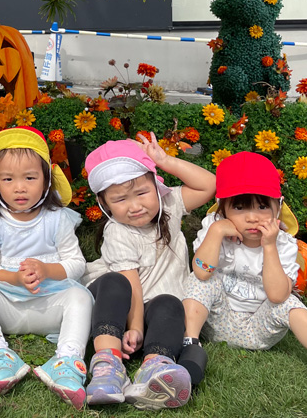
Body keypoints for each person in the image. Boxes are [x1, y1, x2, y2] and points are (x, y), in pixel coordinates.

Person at [180, 151, 307, 399]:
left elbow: (276, 296)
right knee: (201, 280)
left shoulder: (284, 243)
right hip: (215, 320)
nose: (252, 217)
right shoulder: (215, 227)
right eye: (239, 207)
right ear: (223, 209)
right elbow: (200, 270)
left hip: (258, 327)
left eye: (263, 206)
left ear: (278, 208)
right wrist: (218, 230)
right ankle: (189, 346)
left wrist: (269, 246)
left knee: (289, 301)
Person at [80, 135, 216, 409]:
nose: (135, 206)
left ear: (156, 186)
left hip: (153, 312)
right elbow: (132, 284)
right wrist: (134, 326)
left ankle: (155, 367)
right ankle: (108, 364)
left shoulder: (170, 207)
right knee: (115, 282)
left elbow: (209, 186)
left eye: (142, 193)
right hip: (115, 307)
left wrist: (165, 161)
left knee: (170, 302)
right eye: (120, 199)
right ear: (105, 206)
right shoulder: (118, 230)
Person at [0, 127, 94, 408]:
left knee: (81, 297)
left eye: (30, 178)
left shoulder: (57, 219)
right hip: (7, 307)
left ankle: (68, 360)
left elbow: (76, 264)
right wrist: (15, 278)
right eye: (8, 179)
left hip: (49, 305)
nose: (19, 187)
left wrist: (47, 270)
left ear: (46, 180)